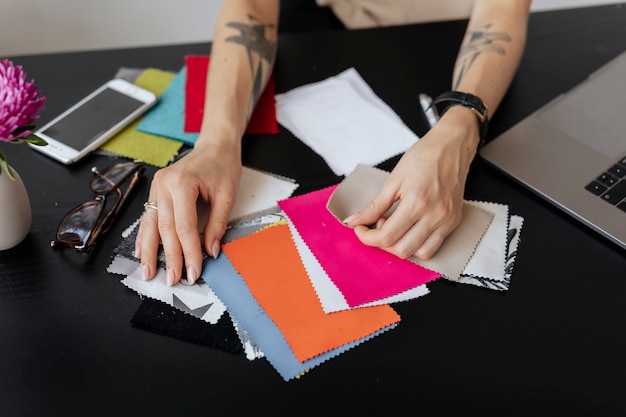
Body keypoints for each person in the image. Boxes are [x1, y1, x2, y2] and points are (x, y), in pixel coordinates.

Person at [135, 0, 531, 286]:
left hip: (454, 36)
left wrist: (458, 131)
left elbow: (503, 11)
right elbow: (251, 7)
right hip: (324, 20)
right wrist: (215, 144)